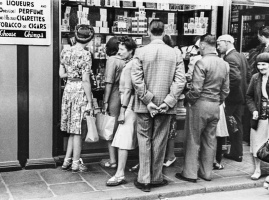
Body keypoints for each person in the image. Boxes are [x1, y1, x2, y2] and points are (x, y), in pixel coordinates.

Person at [131, 19, 186, 192]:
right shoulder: (175, 53)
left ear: (148, 31)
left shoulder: (140, 52)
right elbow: (180, 80)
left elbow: (136, 80)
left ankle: (144, 179)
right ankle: (156, 177)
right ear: (164, 32)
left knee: (144, 139)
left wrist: (148, 100)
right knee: (160, 140)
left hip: (143, 105)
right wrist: (167, 102)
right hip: (165, 106)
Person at [175, 34, 230, 183]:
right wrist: (218, 101)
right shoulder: (224, 63)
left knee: (193, 139)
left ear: (204, 46)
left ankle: (190, 173)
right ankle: (207, 173)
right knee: (210, 140)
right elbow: (225, 90)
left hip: (199, 104)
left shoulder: (201, 63)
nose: (199, 49)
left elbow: (196, 89)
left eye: (199, 47)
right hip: (215, 105)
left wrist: (188, 99)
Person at [59, 24, 95, 173]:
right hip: (80, 90)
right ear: (89, 39)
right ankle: (75, 163)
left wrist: (72, 75)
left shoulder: (65, 51)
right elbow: (86, 80)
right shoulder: (86, 54)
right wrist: (90, 102)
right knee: (78, 130)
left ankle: (67, 160)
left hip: (68, 89)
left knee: (72, 129)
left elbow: (61, 74)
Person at [106, 36, 137, 186]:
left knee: (122, 139)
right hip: (132, 105)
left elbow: (128, 91)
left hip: (129, 105)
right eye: (119, 49)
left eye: (122, 49)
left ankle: (120, 174)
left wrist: (123, 111)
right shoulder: (131, 63)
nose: (119, 52)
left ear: (131, 51)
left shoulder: (130, 66)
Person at [217, 34, 249, 162]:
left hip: (232, 98)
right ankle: (237, 153)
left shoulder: (229, 58)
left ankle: (234, 152)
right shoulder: (240, 56)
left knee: (231, 125)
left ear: (227, 42)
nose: (218, 47)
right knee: (236, 125)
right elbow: (248, 75)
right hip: (240, 97)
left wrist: (225, 93)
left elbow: (235, 78)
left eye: (219, 43)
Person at [100, 37, 126, 169]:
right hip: (125, 97)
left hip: (114, 96)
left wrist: (105, 102)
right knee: (122, 129)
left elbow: (109, 83)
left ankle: (113, 160)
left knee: (110, 128)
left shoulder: (112, 60)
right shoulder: (126, 60)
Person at [162, 35, 185, 167]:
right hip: (171, 98)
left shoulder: (172, 55)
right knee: (170, 127)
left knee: (169, 128)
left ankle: (170, 155)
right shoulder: (176, 54)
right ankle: (169, 155)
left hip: (167, 98)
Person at [246, 53, 269, 180]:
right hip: (260, 117)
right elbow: (249, 96)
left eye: (264, 64)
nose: (261, 67)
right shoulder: (255, 78)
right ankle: (257, 169)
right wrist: (253, 110)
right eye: (259, 64)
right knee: (257, 143)